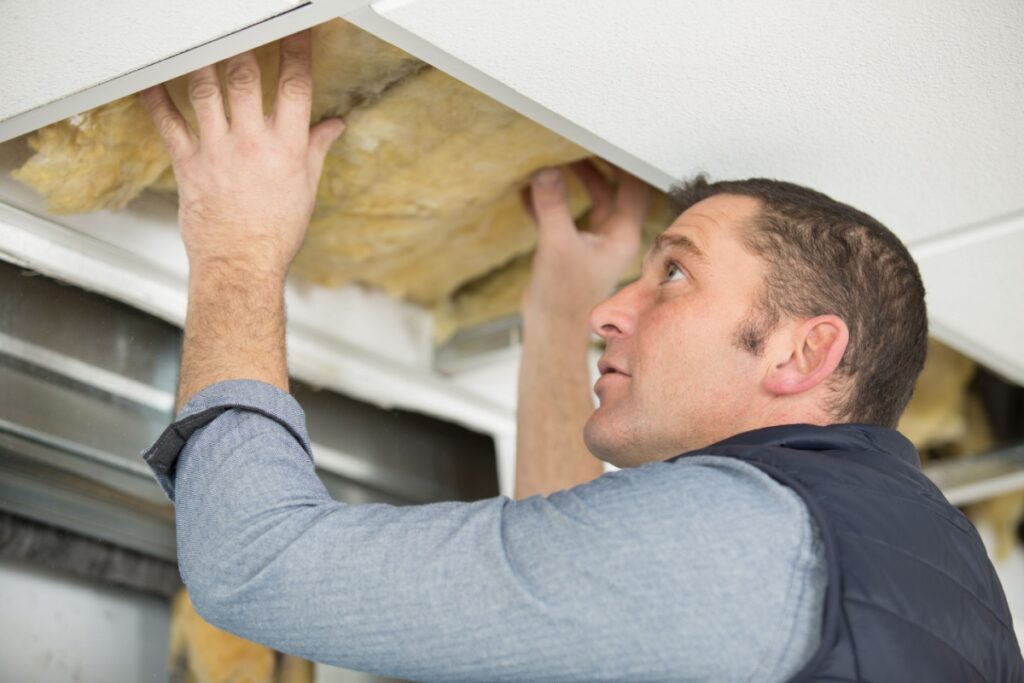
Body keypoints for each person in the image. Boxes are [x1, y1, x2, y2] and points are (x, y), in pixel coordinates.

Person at [139, 31, 1023, 682]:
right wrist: (562, 319)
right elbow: (568, 615)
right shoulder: (943, 575)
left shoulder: (744, 546)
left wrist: (238, 250)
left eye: (674, 271)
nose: (613, 309)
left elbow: (253, 562)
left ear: (801, 349)